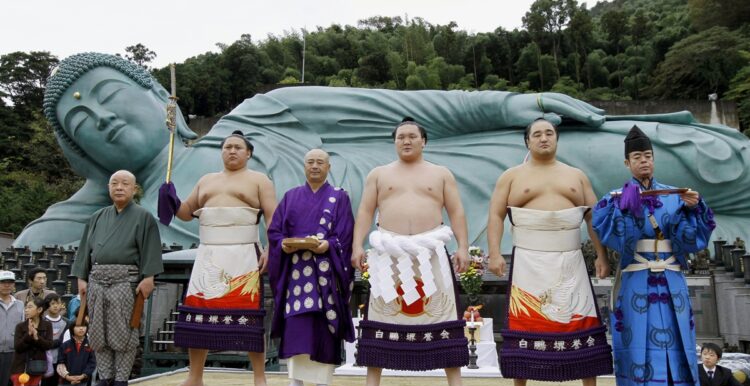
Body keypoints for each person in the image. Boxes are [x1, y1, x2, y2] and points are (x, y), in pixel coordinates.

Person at [18, 52, 750, 250]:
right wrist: (91, 193)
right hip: (376, 234)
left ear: (161, 97)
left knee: (697, 160)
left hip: (454, 168)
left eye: (108, 96)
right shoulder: (128, 206)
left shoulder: (261, 113)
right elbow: (43, 237)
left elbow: (403, 108)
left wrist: (507, 105)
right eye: (78, 121)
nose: (99, 117)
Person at [343, 117, 483, 386]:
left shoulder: (441, 174)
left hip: (431, 250)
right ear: (394, 142)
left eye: (412, 136)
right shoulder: (379, 174)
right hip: (389, 252)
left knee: (442, 313)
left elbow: (456, 211)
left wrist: (462, 247)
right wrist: (357, 245)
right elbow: (366, 211)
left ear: (424, 141)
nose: (406, 141)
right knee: (381, 314)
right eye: (400, 137)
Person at [487, 118, 613, 386]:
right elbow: (495, 215)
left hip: (569, 258)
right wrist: (494, 253)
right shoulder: (511, 176)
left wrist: (601, 255)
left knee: (582, 320)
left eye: (549, 133)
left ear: (556, 139)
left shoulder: (576, 176)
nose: (543, 138)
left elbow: (594, 217)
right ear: (527, 141)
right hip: (528, 260)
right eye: (537, 134)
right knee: (523, 321)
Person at [592, 125, 715, 386]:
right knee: (636, 332)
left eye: (648, 156)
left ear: (653, 159)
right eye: (637, 157)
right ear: (627, 163)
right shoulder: (616, 196)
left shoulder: (675, 194)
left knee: (678, 330)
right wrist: (624, 208)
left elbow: (692, 235)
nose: (644, 161)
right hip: (637, 271)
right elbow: (605, 229)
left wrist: (694, 208)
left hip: (670, 272)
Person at [164, 131, 276, 386]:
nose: (232, 151)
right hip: (209, 254)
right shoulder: (206, 181)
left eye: (238, 147)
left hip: (243, 254)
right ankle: (195, 378)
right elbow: (186, 212)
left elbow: (273, 217)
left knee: (251, 317)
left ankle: (259, 379)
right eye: (227, 147)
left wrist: (271, 248)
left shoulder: (259, 180)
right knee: (196, 316)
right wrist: (170, 197)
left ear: (248, 153)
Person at [268, 149, 356, 386]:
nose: (315, 166)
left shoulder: (339, 198)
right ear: (304, 166)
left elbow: (345, 234)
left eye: (320, 162)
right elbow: (275, 232)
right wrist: (284, 243)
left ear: (328, 167)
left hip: (326, 274)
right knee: (296, 325)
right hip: (296, 273)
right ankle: (295, 383)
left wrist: (328, 245)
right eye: (310, 162)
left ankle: (322, 384)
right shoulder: (290, 197)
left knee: (324, 327)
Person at [72, 169, 164, 386]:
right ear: (109, 188)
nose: (119, 187)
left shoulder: (144, 217)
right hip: (96, 279)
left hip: (126, 280)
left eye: (125, 184)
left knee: (124, 330)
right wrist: (81, 278)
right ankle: (104, 379)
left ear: (134, 189)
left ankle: (121, 380)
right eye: (114, 183)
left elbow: (151, 249)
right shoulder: (97, 217)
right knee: (98, 332)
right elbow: (85, 250)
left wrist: (148, 277)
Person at [10, 297, 53, 386]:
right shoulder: (20, 326)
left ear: (39, 310)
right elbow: (18, 347)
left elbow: (48, 345)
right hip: (21, 367)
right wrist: (28, 335)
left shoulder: (47, 325)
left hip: (37, 366)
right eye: (26, 307)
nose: (26, 310)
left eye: (30, 307)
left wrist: (36, 336)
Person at [35, 293, 70, 386]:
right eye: (52, 303)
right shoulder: (41, 321)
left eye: (58, 303)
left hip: (59, 360)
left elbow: (64, 340)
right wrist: (50, 343)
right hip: (43, 360)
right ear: (47, 306)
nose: (56, 306)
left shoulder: (66, 322)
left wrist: (49, 343)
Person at [0, 270, 24, 386]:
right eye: (3, 282)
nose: (7, 285)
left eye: (10, 283)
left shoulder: (20, 305)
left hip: (13, 353)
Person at [57, 322, 96, 386]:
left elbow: (92, 363)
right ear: (72, 329)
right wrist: (67, 376)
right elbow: (60, 363)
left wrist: (83, 375)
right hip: (66, 381)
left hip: (83, 380)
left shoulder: (91, 345)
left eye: (84, 326)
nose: (81, 328)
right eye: (78, 326)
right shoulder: (65, 345)